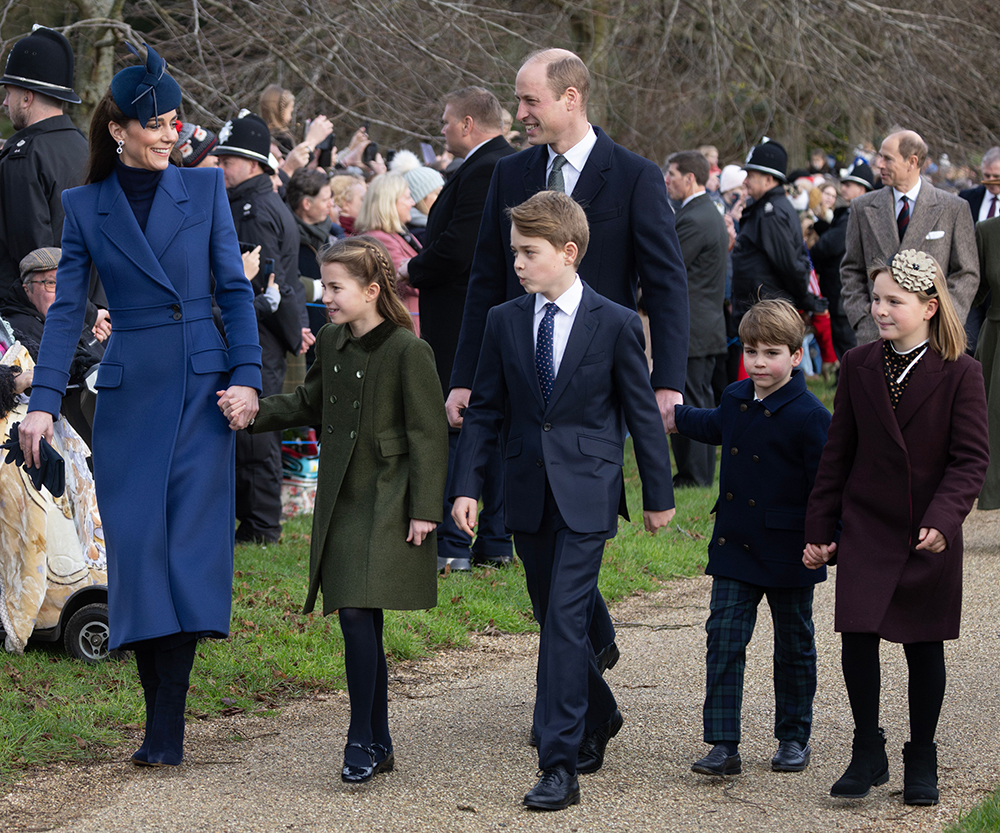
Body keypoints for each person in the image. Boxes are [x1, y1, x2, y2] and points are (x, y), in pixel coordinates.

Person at [17, 42, 262, 767]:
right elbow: (65, 313)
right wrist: (38, 402)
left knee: (186, 554)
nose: (169, 133)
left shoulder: (208, 189)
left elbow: (234, 292)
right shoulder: (85, 206)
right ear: (119, 128)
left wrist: (247, 375)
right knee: (139, 553)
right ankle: (158, 714)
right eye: (156, 122)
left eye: (175, 121)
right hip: (129, 399)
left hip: (201, 392)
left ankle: (167, 727)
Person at [448, 47, 689, 670]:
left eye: (531, 101)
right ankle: (589, 649)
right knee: (538, 537)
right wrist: (465, 379)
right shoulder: (511, 172)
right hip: (522, 382)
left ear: (570, 99)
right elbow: (485, 281)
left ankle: (566, 692)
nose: (520, 112)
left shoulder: (632, 175)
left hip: (599, 383)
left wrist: (668, 383)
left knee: (577, 526)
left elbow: (665, 286)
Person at [451, 191, 674, 810]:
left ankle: (558, 762)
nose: (517, 262)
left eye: (530, 252)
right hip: (527, 492)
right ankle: (601, 711)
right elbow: (486, 411)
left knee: (564, 623)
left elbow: (640, 413)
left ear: (569, 253)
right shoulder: (504, 320)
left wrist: (657, 493)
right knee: (552, 613)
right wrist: (466, 486)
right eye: (514, 251)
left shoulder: (616, 321)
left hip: (588, 491)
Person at [244, 236, 447, 784]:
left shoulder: (410, 351)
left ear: (372, 291)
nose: (326, 297)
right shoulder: (330, 342)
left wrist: (426, 509)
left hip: (389, 496)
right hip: (342, 495)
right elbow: (309, 402)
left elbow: (429, 435)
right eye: (326, 286)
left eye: (336, 288)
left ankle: (362, 737)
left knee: (357, 610)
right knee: (360, 616)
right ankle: (377, 738)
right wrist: (252, 412)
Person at [804, 250, 989, 805]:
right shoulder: (860, 364)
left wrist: (944, 518)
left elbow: (970, 460)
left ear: (929, 308)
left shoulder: (963, 371)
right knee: (857, 636)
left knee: (922, 647)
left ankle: (922, 754)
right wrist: (821, 526)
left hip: (926, 530)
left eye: (893, 302)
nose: (879, 310)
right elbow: (837, 454)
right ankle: (867, 748)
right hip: (867, 522)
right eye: (877, 299)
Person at [672, 299, 831, 778]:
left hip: (790, 549)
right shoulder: (737, 397)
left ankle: (793, 737)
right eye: (751, 351)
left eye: (772, 353)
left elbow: (828, 484)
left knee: (794, 644)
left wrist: (827, 538)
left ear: (796, 356)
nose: (760, 363)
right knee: (723, 638)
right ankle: (723, 744)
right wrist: (674, 414)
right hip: (736, 542)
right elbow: (715, 426)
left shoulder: (810, 414)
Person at [399, 86, 515, 572]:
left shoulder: (489, 168)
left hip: (467, 318)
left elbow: (460, 247)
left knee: (461, 420)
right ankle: (490, 540)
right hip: (472, 314)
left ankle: (459, 542)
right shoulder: (487, 166)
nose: (442, 128)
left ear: (468, 123)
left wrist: (413, 270)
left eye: (447, 120)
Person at [215, 110, 310, 544]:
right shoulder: (255, 200)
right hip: (269, 327)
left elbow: (266, 278)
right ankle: (255, 521)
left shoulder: (252, 210)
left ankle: (260, 525)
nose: (220, 165)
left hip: (260, 328)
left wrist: (295, 330)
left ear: (252, 163)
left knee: (257, 434)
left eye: (228, 159)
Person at [839, 130, 979, 344]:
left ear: (912, 162)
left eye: (887, 158)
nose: (879, 164)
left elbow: (967, 273)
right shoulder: (863, 207)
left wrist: (944, 321)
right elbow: (851, 269)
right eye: (879, 156)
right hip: (876, 334)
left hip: (933, 338)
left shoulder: (953, 208)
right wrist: (863, 318)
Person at [0, 27, 91, 313]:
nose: (5, 103)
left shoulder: (24, 156)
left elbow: (34, 263)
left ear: (27, 98)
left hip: (31, 321)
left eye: (9, 93)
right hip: (86, 313)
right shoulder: (84, 148)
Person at [664, 150, 728, 488]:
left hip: (694, 326)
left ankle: (695, 475)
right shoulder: (704, 212)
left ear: (690, 178)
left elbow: (669, 269)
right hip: (704, 324)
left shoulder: (694, 218)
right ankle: (697, 473)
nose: (667, 180)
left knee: (690, 399)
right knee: (697, 397)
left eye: (672, 174)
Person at [1, 247, 107, 446]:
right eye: (50, 283)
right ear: (27, 289)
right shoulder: (19, 328)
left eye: (66, 283)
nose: (61, 292)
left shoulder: (71, 317)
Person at [731, 139, 820, 322]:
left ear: (768, 179)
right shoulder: (766, 208)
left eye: (750, 175)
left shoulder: (771, 214)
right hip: (762, 311)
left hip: (767, 315)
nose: (745, 181)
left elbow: (788, 265)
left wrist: (803, 298)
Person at [809, 160, 874, 359]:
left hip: (844, 291)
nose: (842, 188)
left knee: (846, 342)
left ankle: (847, 381)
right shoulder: (851, 214)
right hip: (841, 289)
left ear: (861, 188)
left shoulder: (853, 216)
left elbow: (827, 247)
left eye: (848, 185)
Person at [352, 172, 421, 335]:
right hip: (405, 324)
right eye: (407, 197)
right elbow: (408, 281)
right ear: (389, 203)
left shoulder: (397, 235)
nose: (412, 203)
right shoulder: (381, 240)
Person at [958, 146, 1000, 353]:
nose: (991, 181)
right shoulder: (967, 198)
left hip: (997, 287)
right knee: (969, 346)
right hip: (973, 285)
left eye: (997, 176)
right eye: (987, 175)